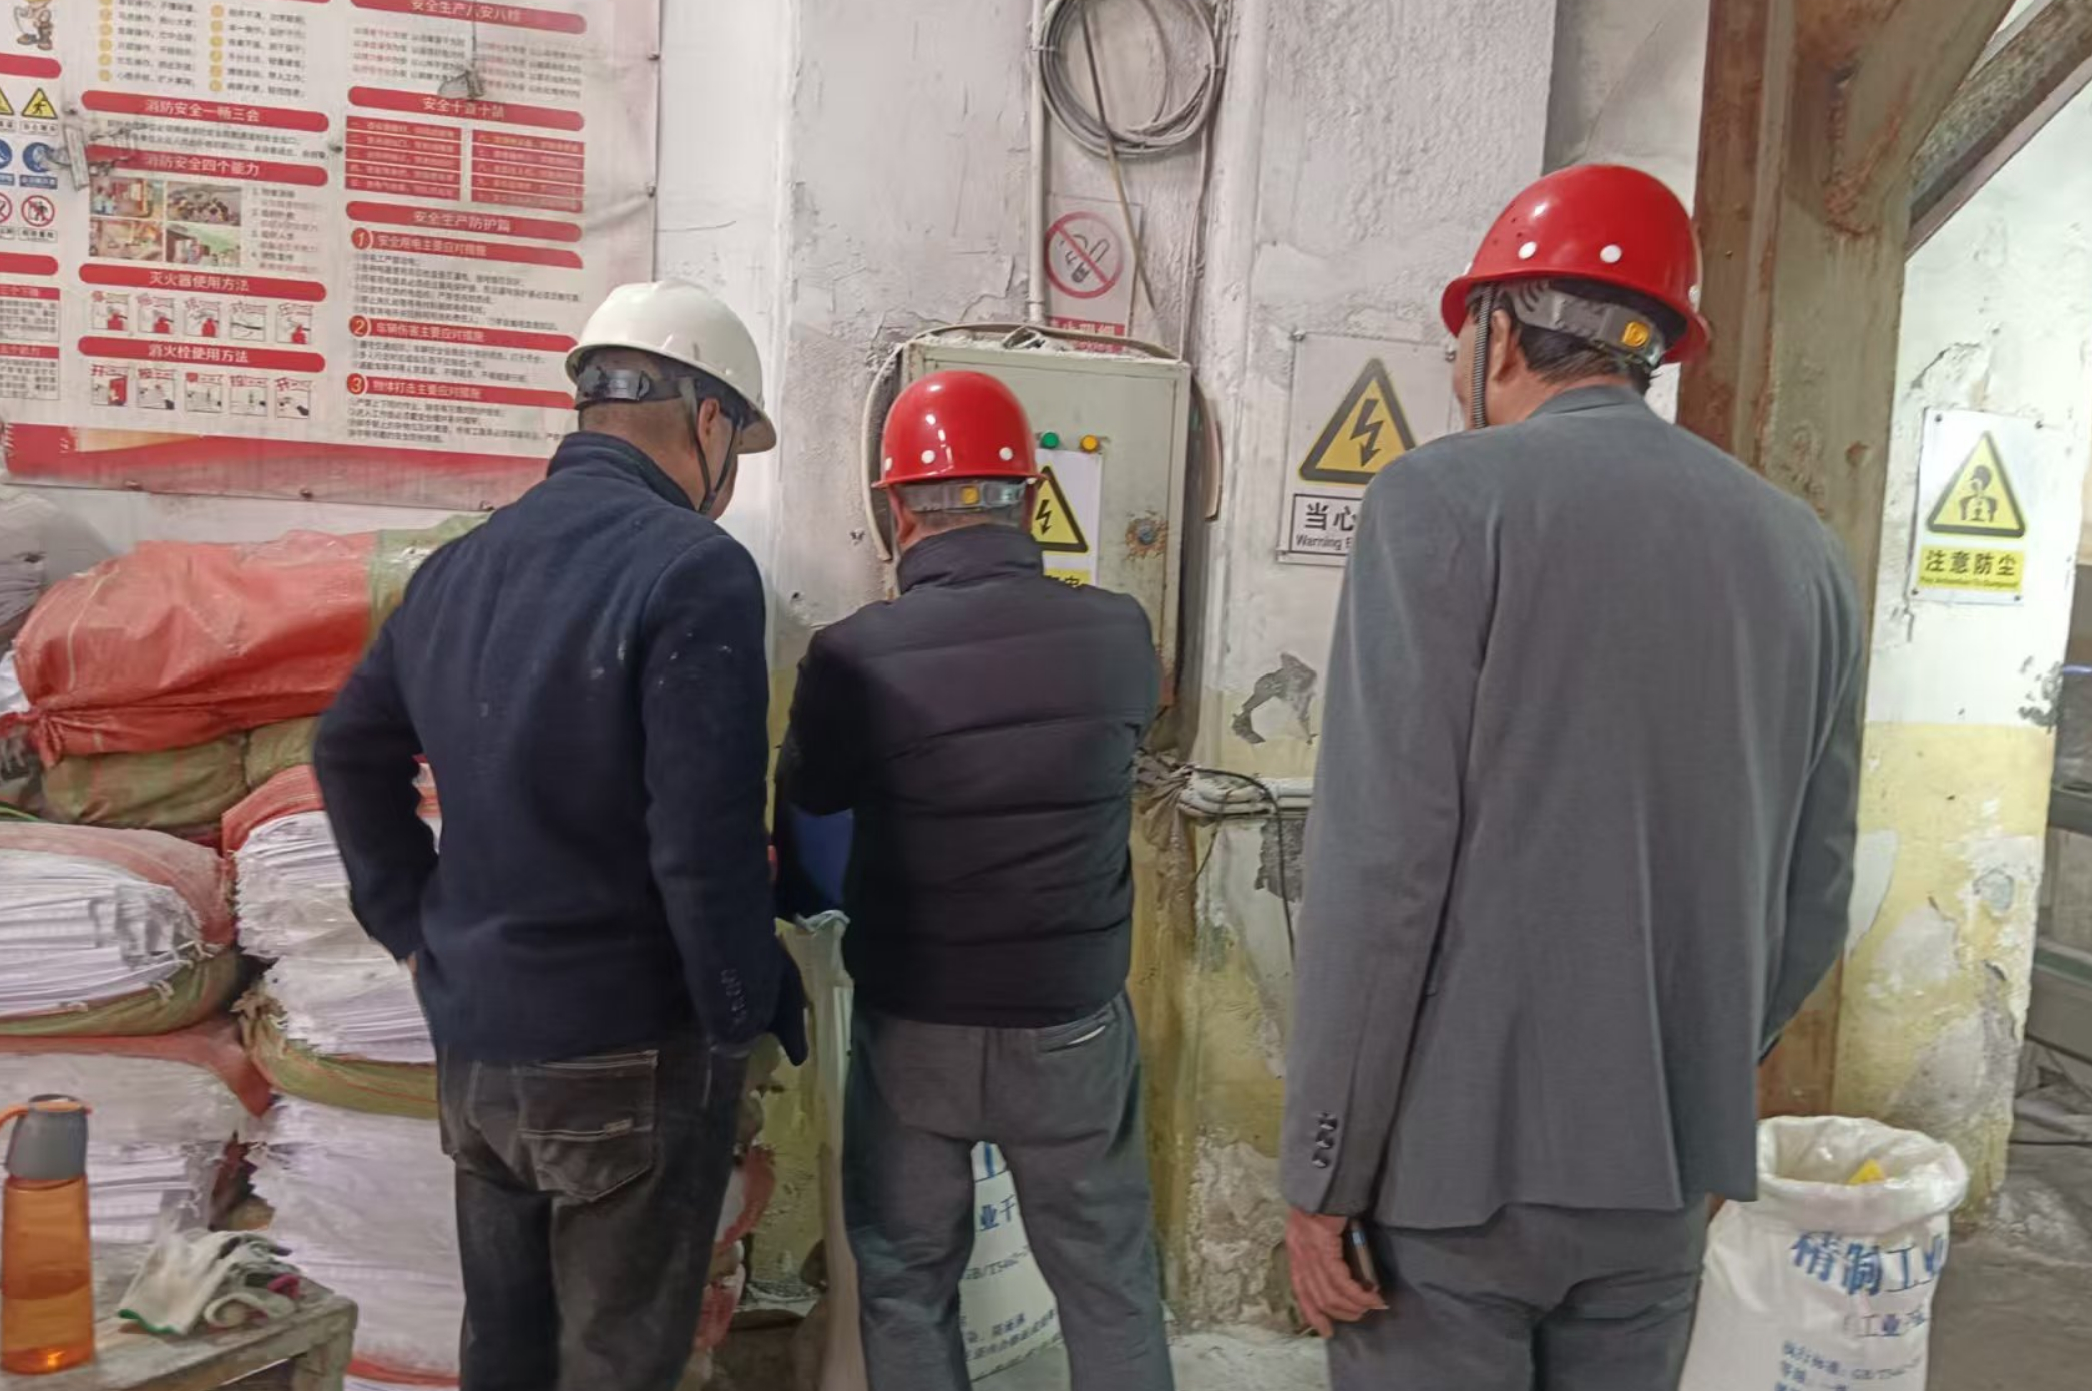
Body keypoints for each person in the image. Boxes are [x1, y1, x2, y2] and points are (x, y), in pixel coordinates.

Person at [1280, 163, 1863, 1390]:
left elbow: (1383, 875)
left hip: (1446, 1174)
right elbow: (1813, 892)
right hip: (1663, 1169)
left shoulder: (1440, 499)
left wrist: (1322, 1172)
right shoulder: (1802, 550)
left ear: (1499, 333)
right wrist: (1687, 1068)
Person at [315, 278, 807, 1391]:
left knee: (506, 1355)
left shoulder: (459, 566)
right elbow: (703, 839)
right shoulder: (694, 567)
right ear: (710, 419)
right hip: (626, 1052)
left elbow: (346, 749)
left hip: (478, 1043)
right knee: (615, 1362)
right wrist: (740, 1008)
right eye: (735, 447)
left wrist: (412, 927)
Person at [775, 370, 1173, 1391]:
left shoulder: (851, 654)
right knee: (1109, 1285)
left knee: (907, 1282)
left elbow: (808, 812)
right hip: (1071, 1025)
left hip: (918, 1028)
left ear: (897, 509)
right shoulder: (1119, 632)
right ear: (1031, 495)